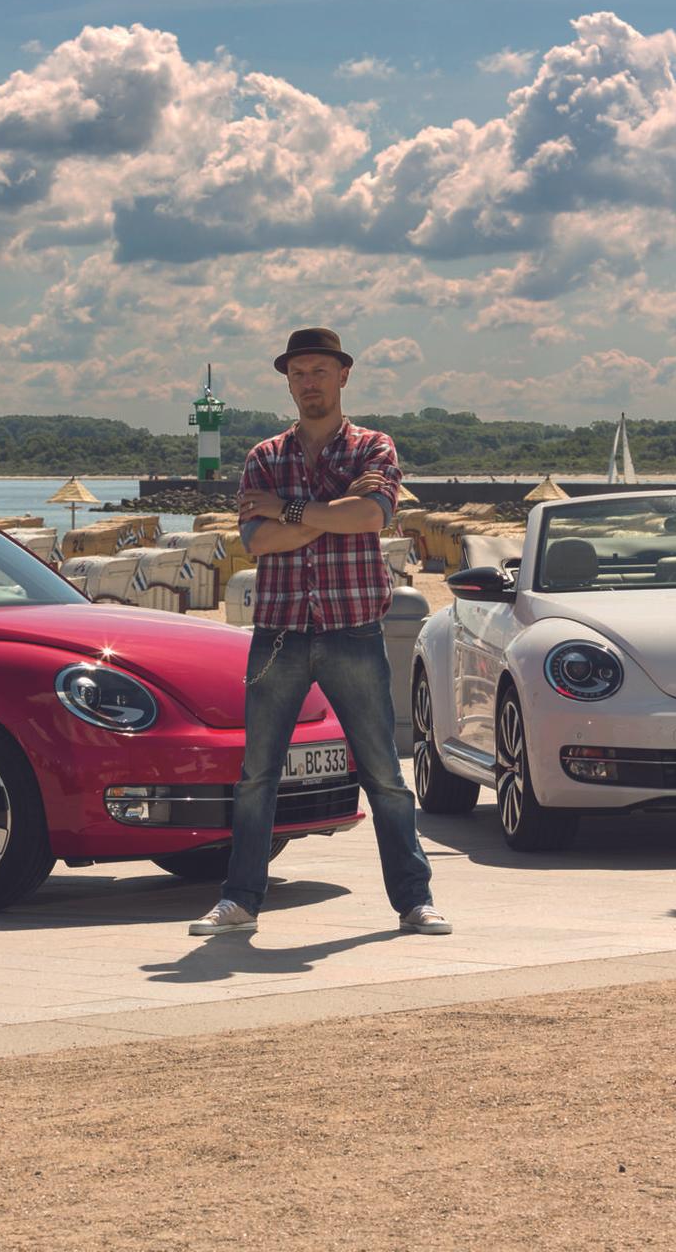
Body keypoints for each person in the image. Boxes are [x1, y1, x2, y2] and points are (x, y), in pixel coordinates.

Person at [188, 327, 451, 936]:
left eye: (319, 371)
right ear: (288, 381)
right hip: (278, 632)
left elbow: (368, 517)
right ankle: (241, 899)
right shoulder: (264, 457)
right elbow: (259, 541)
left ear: (343, 376)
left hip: (353, 631)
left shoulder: (373, 448)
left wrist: (291, 510)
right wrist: (326, 517)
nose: (309, 382)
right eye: (299, 373)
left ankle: (414, 899)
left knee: (383, 772)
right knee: (258, 774)